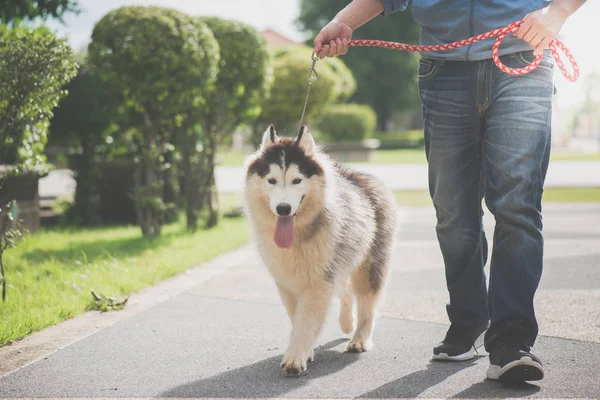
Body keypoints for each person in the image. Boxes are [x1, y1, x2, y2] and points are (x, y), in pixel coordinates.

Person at [313, 0, 586, 383]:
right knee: (454, 213)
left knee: (517, 208)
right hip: (443, 71)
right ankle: (468, 319)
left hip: (523, 60)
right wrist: (343, 22)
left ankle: (511, 342)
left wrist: (557, 12)